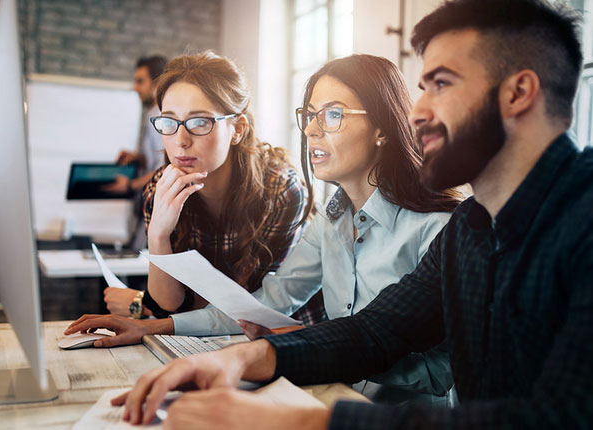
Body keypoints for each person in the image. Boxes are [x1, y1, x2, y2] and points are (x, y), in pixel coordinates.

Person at [109, 0, 593, 429]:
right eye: (422, 86)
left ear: (518, 92)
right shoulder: (471, 227)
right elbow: (375, 331)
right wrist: (244, 358)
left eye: (441, 84)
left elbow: (560, 417)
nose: (418, 110)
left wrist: (309, 422)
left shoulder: (582, 220)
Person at [66, 52, 321, 330]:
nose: (180, 141)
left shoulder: (280, 189)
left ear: (237, 129)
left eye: (200, 122)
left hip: (286, 339)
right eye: (169, 122)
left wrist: (140, 303)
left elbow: (247, 306)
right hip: (205, 338)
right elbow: (169, 302)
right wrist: (158, 235)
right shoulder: (160, 187)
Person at [102, 55, 168, 315]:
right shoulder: (151, 114)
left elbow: (165, 168)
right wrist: (137, 158)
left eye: (139, 81)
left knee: (146, 284)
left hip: (153, 210)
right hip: (144, 210)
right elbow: (155, 159)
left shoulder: (161, 116)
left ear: (156, 82)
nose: (135, 88)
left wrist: (129, 184)